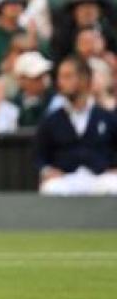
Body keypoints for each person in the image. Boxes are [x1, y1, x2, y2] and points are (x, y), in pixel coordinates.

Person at [35, 57, 117, 195]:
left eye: (67, 77)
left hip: (100, 178)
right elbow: (39, 155)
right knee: (50, 189)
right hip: (66, 179)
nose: (61, 82)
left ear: (84, 79)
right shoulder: (51, 120)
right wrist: (46, 170)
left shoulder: (107, 117)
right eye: (60, 77)